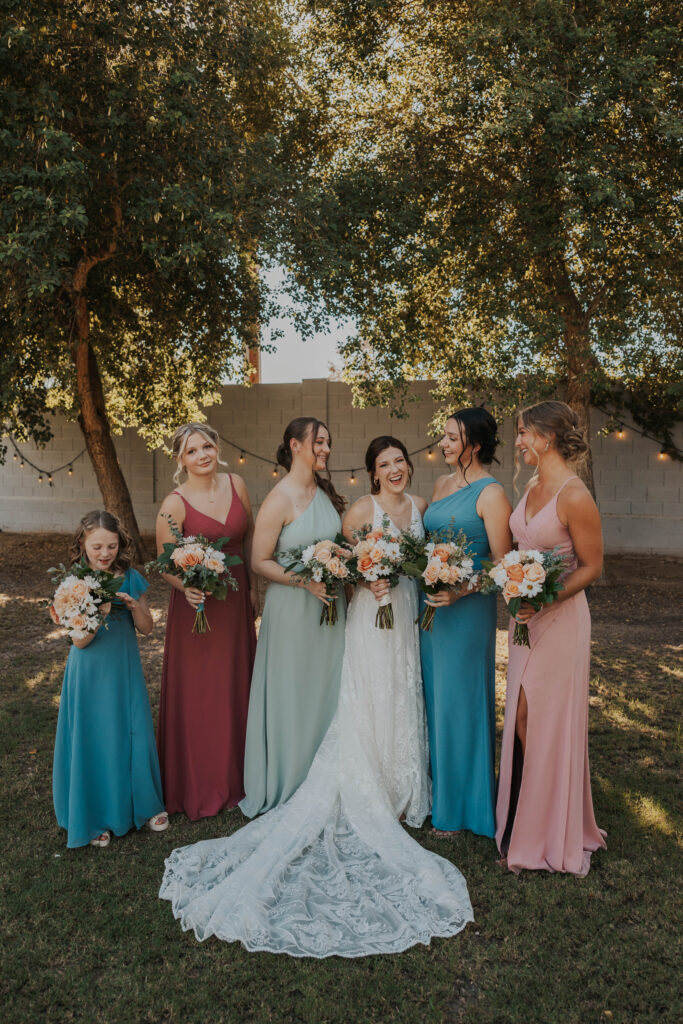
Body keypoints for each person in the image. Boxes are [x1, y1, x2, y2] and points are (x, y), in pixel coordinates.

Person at [159, 435, 473, 957]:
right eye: (383, 463)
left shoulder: (414, 505)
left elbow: (415, 551)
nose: (393, 469)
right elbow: (294, 557)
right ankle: (345, 778)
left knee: (399, 693)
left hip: (399, 617)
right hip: (341, 613)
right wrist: (355, 578)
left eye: (400, 461)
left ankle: (402, 781)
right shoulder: (320, 503)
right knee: (363, 693)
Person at [496, 400, 606, 875]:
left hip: (560, 619)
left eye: (523, 433)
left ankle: (547, 830)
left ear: (547, 436)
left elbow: (593, 566)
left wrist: (544, 597)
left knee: (537, 716)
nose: (518, 441)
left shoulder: (574, 494)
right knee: (521, 714)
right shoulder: (533, 486)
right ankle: (531, 816)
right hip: (525, 619)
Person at [239, 417, 347, 818]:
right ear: (295, 445)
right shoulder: (280, 498)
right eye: (319, 442)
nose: (325, 449)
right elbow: (258, 561)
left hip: (331, 609)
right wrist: (305, 582)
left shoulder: (323, 491)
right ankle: (291, 778)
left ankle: (326, 778)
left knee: (327, 690)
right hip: (293, 609)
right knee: (293, 691)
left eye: (328, 443)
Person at [156, 422, 257, 820]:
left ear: (217, 448)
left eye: (207, 447)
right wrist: (185, 587)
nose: (203, 455)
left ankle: (239, 780)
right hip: (196, 606)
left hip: (233, 600)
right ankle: (198, 782)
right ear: (181, 460)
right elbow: (166, 563)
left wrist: (251, 589)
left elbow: (245, 539)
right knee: (201, 693)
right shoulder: (174, 504)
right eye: (193, 451)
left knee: (235, 684)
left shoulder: (238, 484)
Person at [420, 407, 512, 838]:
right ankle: (442, 795)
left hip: (468, 609)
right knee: (436, 700)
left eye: (452, 438)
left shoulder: (491, 493)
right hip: (433, 611)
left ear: (474, 444)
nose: (443, 443)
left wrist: (461, 588)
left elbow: (501, 563)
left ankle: (464, 809)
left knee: (461, 701)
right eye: (444, 436)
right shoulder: (440, 485)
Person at [52, 510, 167, 849]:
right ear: (83, 545)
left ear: (121, 544)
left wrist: (134, 607)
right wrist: (96, 611)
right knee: (95, 735)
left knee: (130, 729)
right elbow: (80, 641)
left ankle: (145, 805)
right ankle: (94, 815)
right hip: (89, 671)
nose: (105, 554)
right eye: (98, 546)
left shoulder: (130, 576)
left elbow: (147, 628)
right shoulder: (74, 582)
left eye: (112, 546)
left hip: (123, 668)